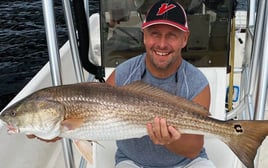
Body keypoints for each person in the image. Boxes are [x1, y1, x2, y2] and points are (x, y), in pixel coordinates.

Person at [106, 0, 216, 167]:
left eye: (171, 35)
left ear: (184, 39)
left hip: (186, 163)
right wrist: (60, 129)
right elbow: (95, 115)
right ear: (144, 36)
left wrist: (169, 140)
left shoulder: (197, 83)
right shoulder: (123, 75)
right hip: (132, 162)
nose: (162, 44)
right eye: (155, 34)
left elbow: (194, 149)